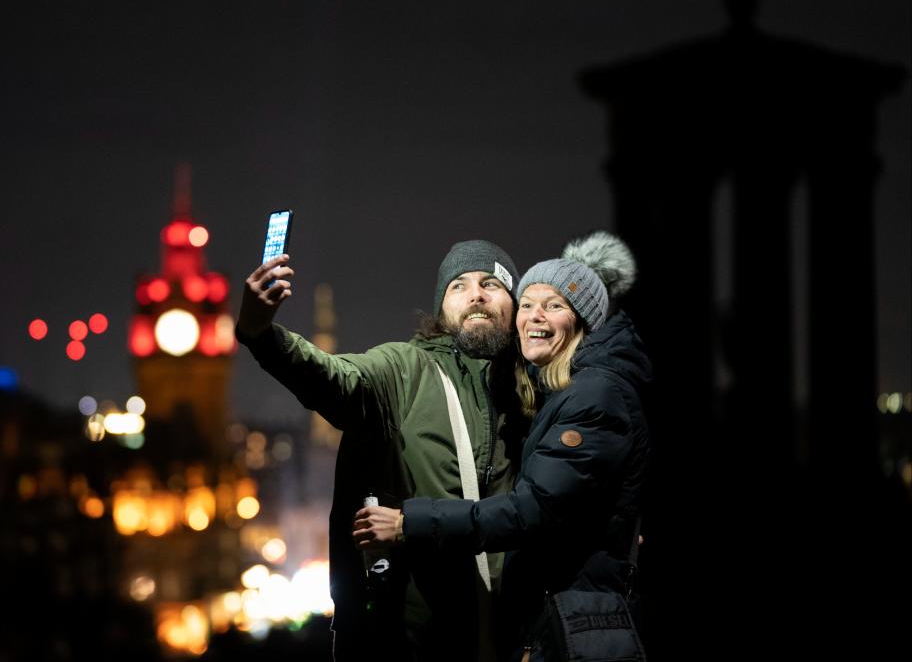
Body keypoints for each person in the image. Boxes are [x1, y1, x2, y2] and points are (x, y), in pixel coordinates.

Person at [353, 232, 651, 661]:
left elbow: (531, 512)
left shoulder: (593, 396)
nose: (534, 316)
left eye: (554, 305)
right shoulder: (563, 391)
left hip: (578, 625)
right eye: (526, 304)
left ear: (583, 319)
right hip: (567, 618)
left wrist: (408, 523)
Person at [235, 240, 528, 662]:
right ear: (442, 307)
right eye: (458, 286)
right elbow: (337, 379)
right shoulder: (405, 369)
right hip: (418, 639)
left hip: (517, 637)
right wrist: (260, 332)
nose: (476, 294)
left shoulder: (534, 388)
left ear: (515, 302)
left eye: (491, 283)